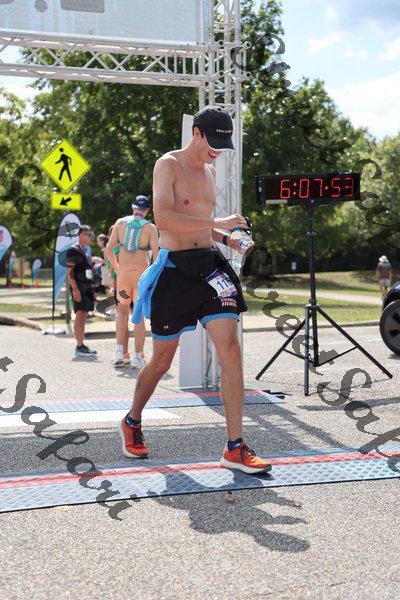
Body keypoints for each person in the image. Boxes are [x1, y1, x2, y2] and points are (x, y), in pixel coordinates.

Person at [119, 106, 272, 475]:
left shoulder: (209, 170)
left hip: (209, 268)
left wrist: (227, 238)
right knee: (162, 360)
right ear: (197, 133)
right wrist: (219, 221)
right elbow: (166, 219)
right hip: (174, 272)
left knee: (230, 349)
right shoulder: (168, 164)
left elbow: (201, 226)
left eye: (223, 145)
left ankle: (234, 447)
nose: (216, 152)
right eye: (212, 143)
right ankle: (132, 420)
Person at [108, 196, 159, 369]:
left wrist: (117, 268)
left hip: (123, 274)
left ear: (133, 207)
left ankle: (119, 352)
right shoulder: (150, 227)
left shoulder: (120, 223)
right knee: (138, 314)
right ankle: (138, 356)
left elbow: (109, 249)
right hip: (141, 274)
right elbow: (156, 255)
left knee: (122, 312)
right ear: (147, 211)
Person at [66, 225, 97, 357]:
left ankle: (82, 344)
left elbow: (88, 272)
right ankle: (79, 346)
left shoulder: (87, 250)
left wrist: (92, 290)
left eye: (93, 236)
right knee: (80, 316)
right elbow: (69, 272)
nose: (92, 238)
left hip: (87, 287)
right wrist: (75, 289)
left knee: (84, 316)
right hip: (79, 288)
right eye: (89, 235)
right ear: (81, 235)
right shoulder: (74, 250)